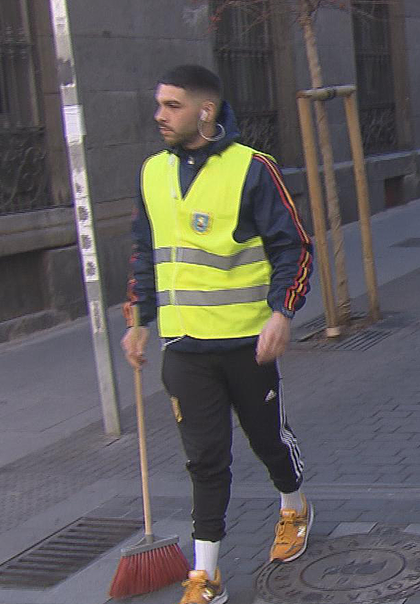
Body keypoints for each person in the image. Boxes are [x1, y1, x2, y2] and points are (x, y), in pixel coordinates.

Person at [122, 65, 314, 604]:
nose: (160, 114)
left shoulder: (253, 170)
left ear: (205, 110)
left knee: (267, 441)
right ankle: (206, 574)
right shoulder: (152, 173)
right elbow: (144, 251)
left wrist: (282, 313)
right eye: (158, 103)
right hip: (184, 348)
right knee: (205, 459)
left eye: (172, 105)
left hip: (248, 345)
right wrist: (138, 320)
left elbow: (294, 248)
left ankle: (294, 505)